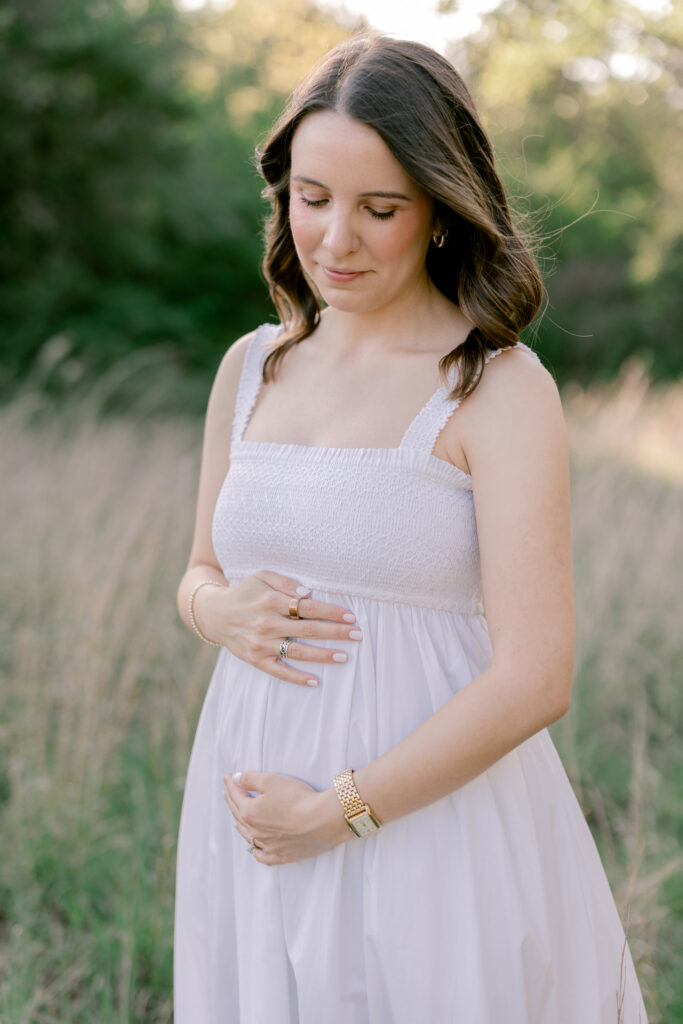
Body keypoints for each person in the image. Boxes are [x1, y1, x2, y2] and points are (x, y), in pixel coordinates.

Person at [173, 34, 648, 1023]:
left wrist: (336, 810)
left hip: (426, 825)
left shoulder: (495, 387)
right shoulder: (251, 366)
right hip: (250, 818)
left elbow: (536, 676)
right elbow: (200, 570)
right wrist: (216, 611)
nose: (334, 239)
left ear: (439, 209)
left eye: (378, 210)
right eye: (311, 198)